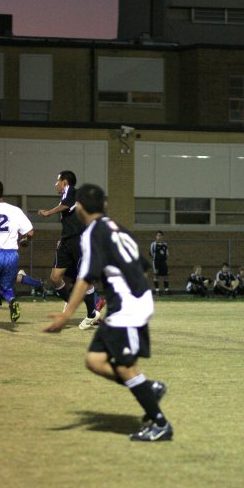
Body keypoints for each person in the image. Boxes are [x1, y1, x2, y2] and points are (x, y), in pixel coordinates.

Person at [44, 183, 173, 443]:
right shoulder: (116, 227)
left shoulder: (91, 233)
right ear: (103, 205)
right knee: (95, 360)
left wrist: (66, 314)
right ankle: (148, 388)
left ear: (78, 207)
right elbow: (143, 266)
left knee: (125, 367)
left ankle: (160, 424)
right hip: (128, 301)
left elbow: (85, 278)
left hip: (128, 305)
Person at [38, 170, 100, 330]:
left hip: (78, 241)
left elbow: (65, 205)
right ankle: (70, 300)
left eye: (57, 180)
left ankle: (92, 314)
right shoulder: (67, 195)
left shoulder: (72, 191)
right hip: (66, 241)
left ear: (65, 181)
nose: (55, 184)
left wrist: (48, 212)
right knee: (55, 277)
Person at [0, 179, 34, 332]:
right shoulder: (15, 210)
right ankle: (11, 299)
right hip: (12, 255)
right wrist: (25, 241)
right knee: (4, 286)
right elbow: (30, 232)